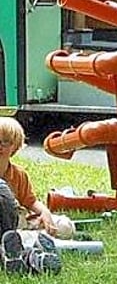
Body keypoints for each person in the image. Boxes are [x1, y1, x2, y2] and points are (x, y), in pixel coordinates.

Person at [0, 117, 65, 275]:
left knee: (64, 225)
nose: (0, 146)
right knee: (17, 235)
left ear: (15, 146)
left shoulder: (19, 174)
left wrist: (45, 213)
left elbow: (31, 201)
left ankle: (28, 247)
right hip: (3, 223)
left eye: (5, 142)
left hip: (21, 220)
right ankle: (30, 250)